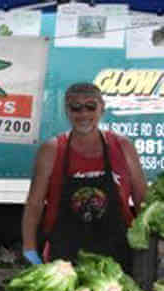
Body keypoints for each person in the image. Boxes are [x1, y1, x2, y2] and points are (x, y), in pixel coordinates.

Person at [21, 82, 147, 271]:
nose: (84, 115)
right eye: (76, 108)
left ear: (102, 109)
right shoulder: (52, 149)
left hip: (117, 253)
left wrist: (154, 241)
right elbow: (34, 204)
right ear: (67, 111)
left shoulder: (122, 146)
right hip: (64, 256)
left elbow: (142, 199)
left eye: (90, 107)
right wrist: (29, 248)